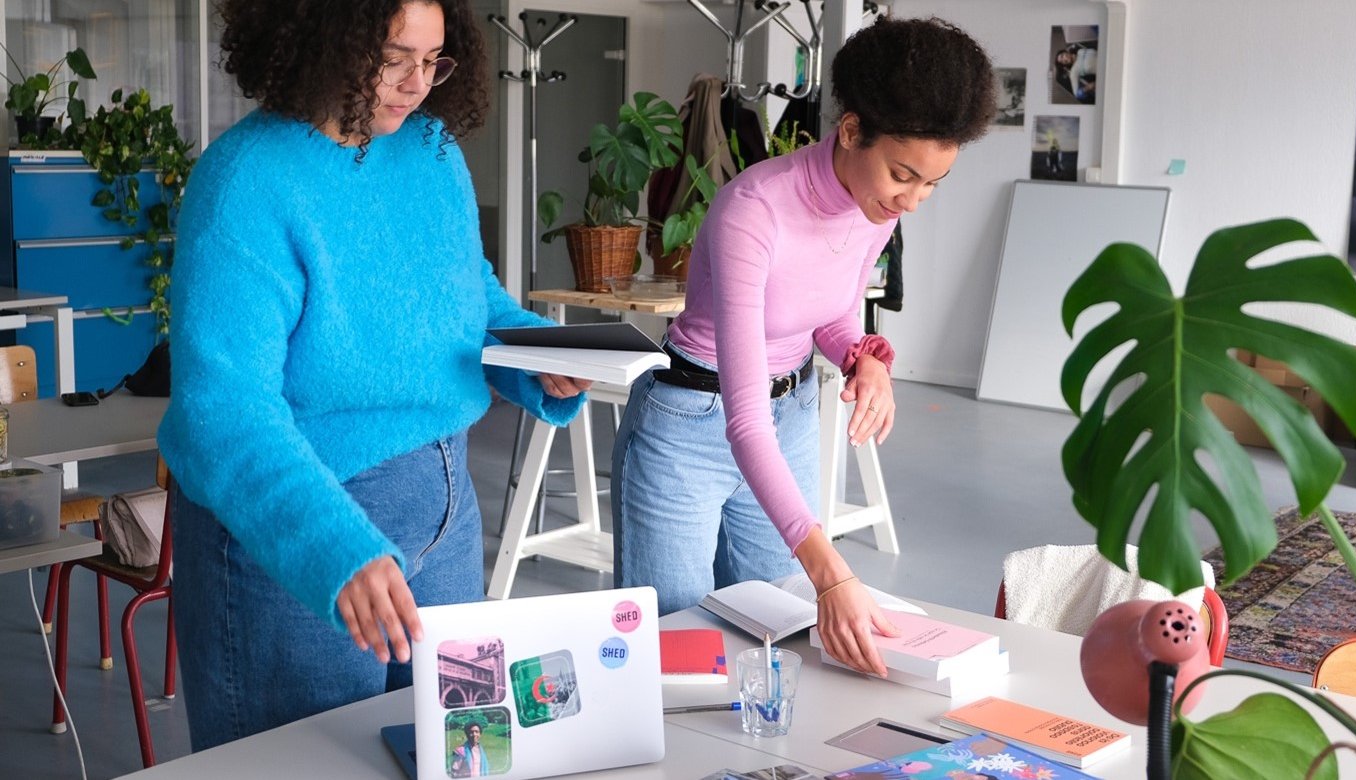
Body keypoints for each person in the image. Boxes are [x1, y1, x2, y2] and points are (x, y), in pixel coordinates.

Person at [158, 0, 590, 750]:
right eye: (395, 57)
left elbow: (465, 291)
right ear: (327, 36)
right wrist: (333, 545)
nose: (418, 83)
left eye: (434, 59)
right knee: (309, 766)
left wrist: (537, 355)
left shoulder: (430, 149)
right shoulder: (245, 183)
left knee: (465, 753)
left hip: (447, 512)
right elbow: (220, 413)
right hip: (302, 528)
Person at [611, 16, 995, 677]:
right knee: (673, 653)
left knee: (777, 643)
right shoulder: (752, 211)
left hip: (787, 419)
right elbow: (743, 418)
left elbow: (830, 312)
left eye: (933, 182)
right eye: (904, 174)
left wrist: (864, 356)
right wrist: (832, 571)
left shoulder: (874, 207)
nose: (915, 200)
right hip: (692, 428)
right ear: (850, 131)